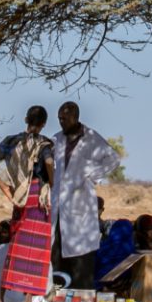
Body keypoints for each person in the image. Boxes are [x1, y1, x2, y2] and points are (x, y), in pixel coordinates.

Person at [0, 106, 57, 302]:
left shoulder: (12, 141)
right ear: (44, 123)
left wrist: (4, 186)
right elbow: (49, 163)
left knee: (15, 250)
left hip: (20, 199)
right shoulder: (44, 145)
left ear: (26, 119)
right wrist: (51, 181)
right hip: (38, 198)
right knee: (36, 252)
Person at [49, 101, 121, 290]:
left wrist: (91, 173)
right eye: (59, 119)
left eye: (64, 119)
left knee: (80, 258)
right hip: (57, 208)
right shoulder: (55, 140)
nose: (61, 122)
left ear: (75, 117)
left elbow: (113, 158)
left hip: (80, 207)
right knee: (55, 255)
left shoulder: (91, 138)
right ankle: (54, 299)